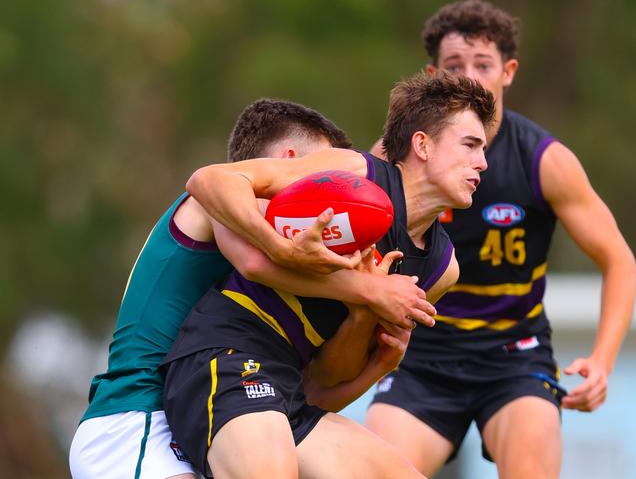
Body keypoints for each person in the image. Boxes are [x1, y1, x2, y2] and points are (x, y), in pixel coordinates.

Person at [69, 98, 432, 479]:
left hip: (192, 422)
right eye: (327, 173)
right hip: (136, 419)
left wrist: (378, 364)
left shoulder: (262, 314)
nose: (337, 188)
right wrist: (368, 290)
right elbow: (255, 262)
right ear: (290, 161)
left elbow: (306, 399)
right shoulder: (219, 202)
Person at [161, 70, 495, 478]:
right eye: (470, 145)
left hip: (292, 392)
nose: (482, 162)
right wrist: (284, 248)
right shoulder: (356, 174)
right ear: (422, 145)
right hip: (227, 357)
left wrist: (364, 314)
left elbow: (327, 377)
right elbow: (210, 180)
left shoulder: (442, 268)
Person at [365, 0, 636, 478]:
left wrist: (602, 361)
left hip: (514, 356)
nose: (470, 77)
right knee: (373, 468)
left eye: (483, 64)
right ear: (433, 74)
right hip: (422, 354)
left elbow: (619, 259)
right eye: (455, 65)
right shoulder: (395, 156)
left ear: (508, 71)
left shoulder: (544, 160)